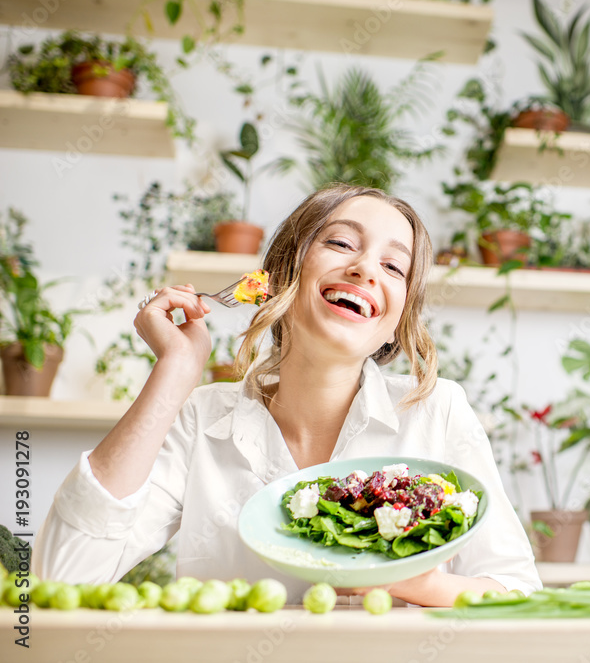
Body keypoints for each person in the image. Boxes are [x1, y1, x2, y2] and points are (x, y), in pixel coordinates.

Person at [34, 184, 542, 606]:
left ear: (395, 323)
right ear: (277, 280)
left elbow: (516, 593)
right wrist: (174, 371)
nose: (366, 268)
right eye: (341, 244)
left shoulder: (436, 412)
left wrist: (408, 580)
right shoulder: (201, 420)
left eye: (394, 267)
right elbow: (60, 578)